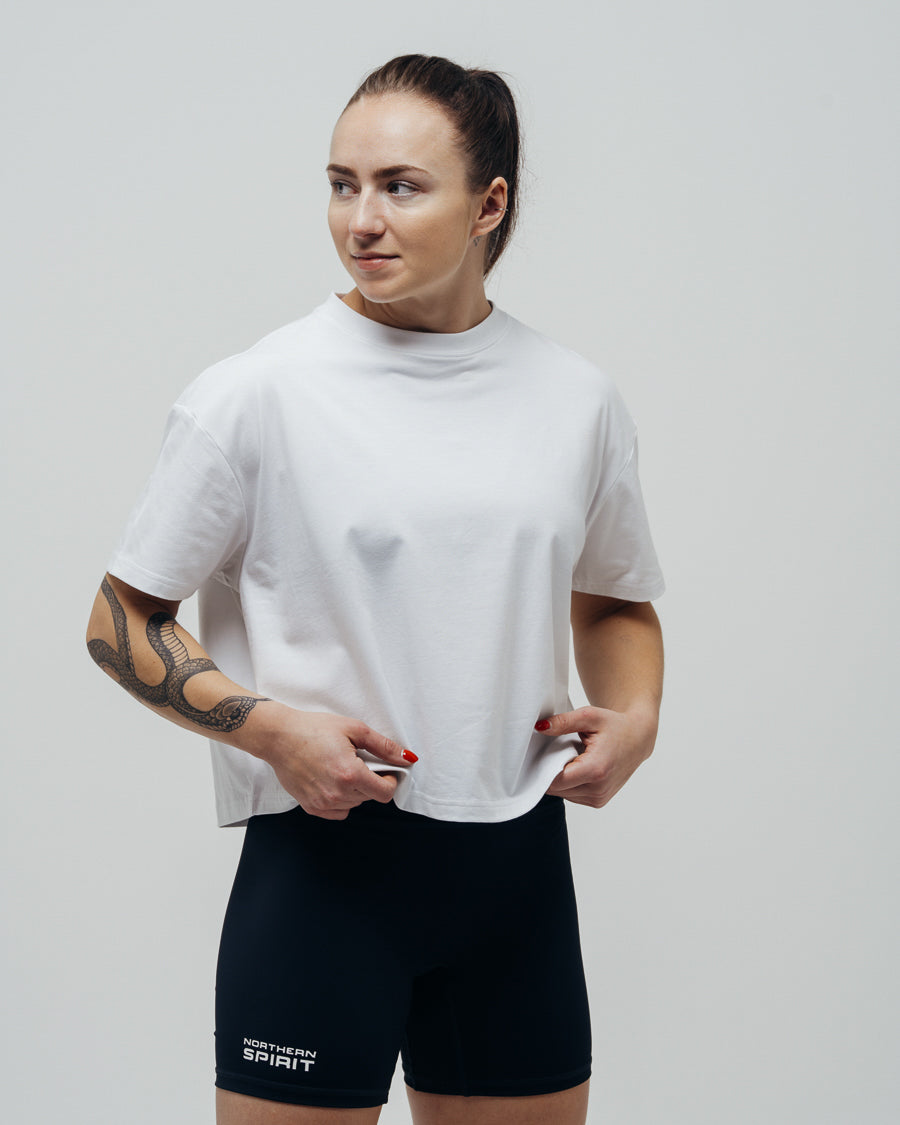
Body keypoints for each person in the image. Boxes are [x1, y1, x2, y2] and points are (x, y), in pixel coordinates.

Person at [86, 54, 665, 1125]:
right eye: (342, 183)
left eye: (401, 185)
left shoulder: (574, 399)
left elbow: (616, 597)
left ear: (490, 204)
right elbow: (121, 618)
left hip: (519, 875)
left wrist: (637, 720)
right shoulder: (255, 395)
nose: (362, 218)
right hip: (326, 867)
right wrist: (268, 731)